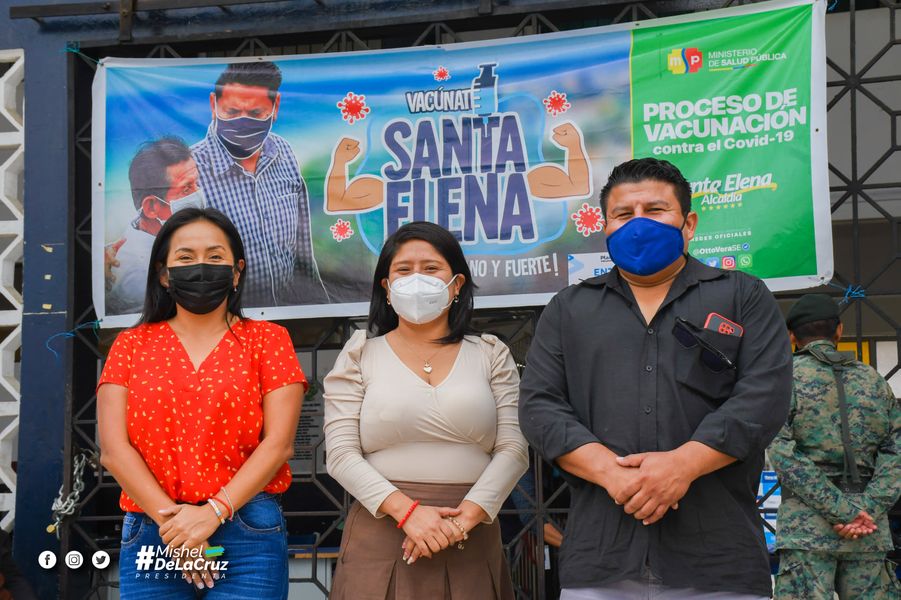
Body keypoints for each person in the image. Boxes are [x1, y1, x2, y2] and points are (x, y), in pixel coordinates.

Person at [519, 157, 793, 599]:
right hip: (602, 561)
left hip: (718, 561)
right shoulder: (569, 309)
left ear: (689, 223)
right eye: (623, 214)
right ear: (605, 226)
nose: (638, 224)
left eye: (654, 210)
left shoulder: (743, 295)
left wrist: (683, 465)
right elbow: (540, 406)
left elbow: (764, 397)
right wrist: (612, 474)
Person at [96, 207, 306, 599]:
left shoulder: (269, 340)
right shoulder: (130, 345)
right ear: (163, 273)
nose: (201, 266)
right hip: (155, 529)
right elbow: (113, 450)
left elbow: (278, 445)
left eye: (215, 256)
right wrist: (178, 529)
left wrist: (212, 513)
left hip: (246, 529)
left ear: (237, 272)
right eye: (185, 257)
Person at [323, 221, 529, 599]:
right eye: (403, 270)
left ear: (457, 284)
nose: (417, 279)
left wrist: (464, 519)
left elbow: (514, 449)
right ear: (387, 287)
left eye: (431, 268)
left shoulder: (490, 353)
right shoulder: (359, 355)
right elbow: (340, 455)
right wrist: (408, 512)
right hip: (382, 531)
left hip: (471, 531)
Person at [769, 293, 900, 599]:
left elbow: (782, 454)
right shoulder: (874, 380)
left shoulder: (784, 379)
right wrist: (865, 510)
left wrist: (841, 511)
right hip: (868, 530)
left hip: (807, 530)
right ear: (839, 331)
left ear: (791, 336)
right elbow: (896, 452)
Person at [191, 61, 329, 307]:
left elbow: (303, 252)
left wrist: (319, 307)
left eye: (256, 114)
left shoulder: (283, 152)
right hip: (224, 317)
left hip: (288, 316)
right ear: (213, 105)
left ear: (275, 107)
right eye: (232, 112)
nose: (242, 123)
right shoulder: (190, 171)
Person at [325, 122, 591, 212]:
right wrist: (339, 162)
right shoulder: (389, 187)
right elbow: (339, 201)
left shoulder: (525, 178)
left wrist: (574, 146)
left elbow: (576, 187)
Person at [106, 137, 204, 315]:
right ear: (151, 207)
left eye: (197, 183)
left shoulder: (162, 233)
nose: (199, 194)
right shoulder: (138, 276)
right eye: (186, 189)